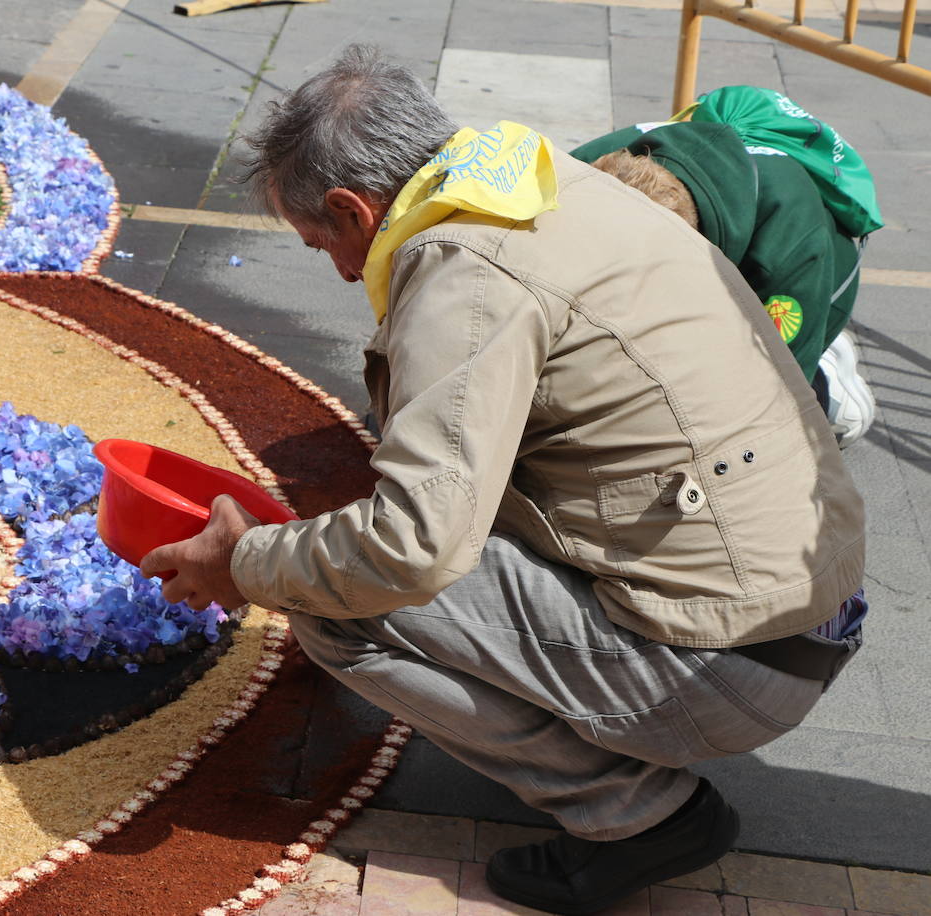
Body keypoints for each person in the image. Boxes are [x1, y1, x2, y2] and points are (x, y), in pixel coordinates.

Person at [140, 46, 866, 916]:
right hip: (805, 603)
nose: (336, 270)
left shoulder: (463, 277)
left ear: (351, 206)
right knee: (392, 523)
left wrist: (247, 562)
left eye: (321, 242)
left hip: (731, 664)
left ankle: (639, 815)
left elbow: (412, 548)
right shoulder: (541, 174)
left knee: (338, 601)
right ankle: (601, 729)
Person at [570, 90, 879, 448]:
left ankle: (827, 373)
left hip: (809, 288)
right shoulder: (582, 171)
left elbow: (774, 399)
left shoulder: (791, 246)